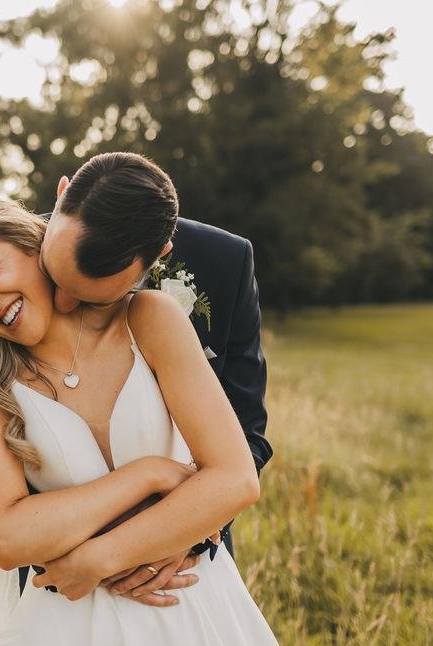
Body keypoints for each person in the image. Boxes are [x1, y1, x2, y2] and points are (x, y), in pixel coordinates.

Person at [0, 191, 293, 646]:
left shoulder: (149, 319)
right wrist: (148, 474)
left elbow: (237, 480)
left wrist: (96, 559)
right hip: (66, 626)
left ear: (35, 245)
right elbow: (6, 537)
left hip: (188, 599)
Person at [34, 152, 272, 605]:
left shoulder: (225, 262)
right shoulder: (7, 251)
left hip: (180, 570)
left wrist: (181, 529)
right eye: (52, 277)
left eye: (92, 300)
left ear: (161, 254)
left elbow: (248, 433)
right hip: (56, 566)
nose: (60, 305)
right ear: (62, 192)